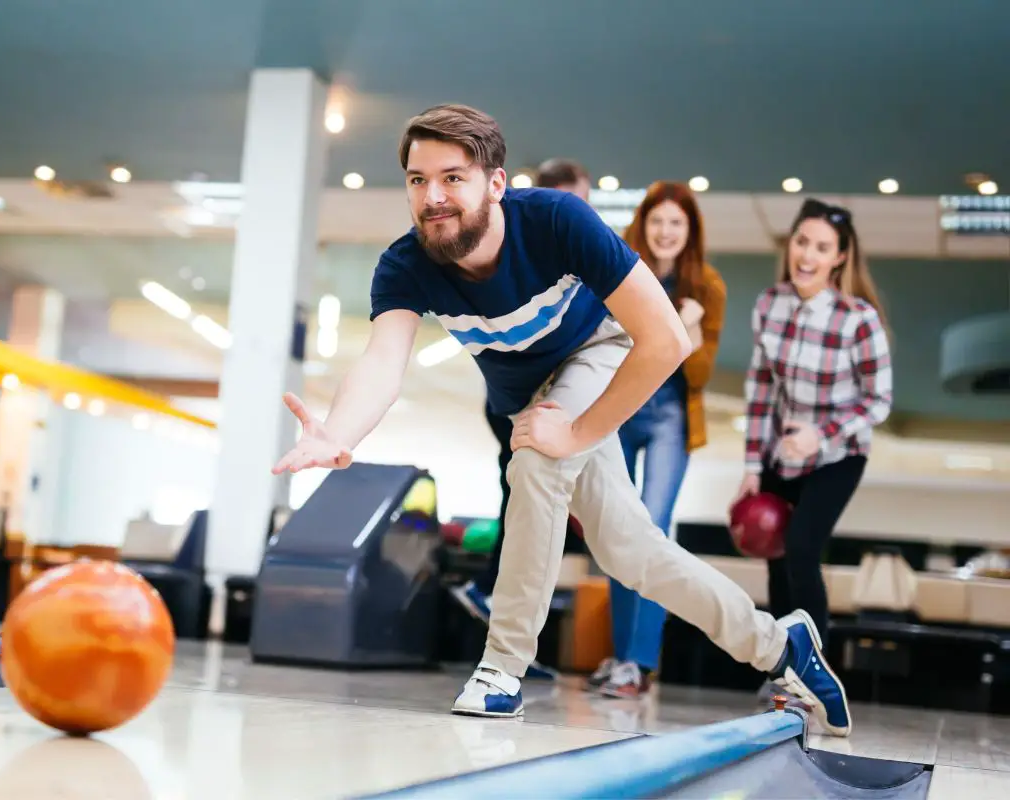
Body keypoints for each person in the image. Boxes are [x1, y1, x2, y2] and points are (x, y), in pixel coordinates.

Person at [272, 104, 852, 737]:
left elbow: (664, 340)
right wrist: (337, 433)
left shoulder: (556, 221)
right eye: (417, 180)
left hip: (596, 352)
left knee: (539, 463)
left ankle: (501, 670)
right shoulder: (407, 263)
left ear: (495, 183)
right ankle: (781, 646)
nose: (432, 197)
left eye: (452, 177)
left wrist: (576, 432)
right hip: (529, 396)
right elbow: (385, 362)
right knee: (632, 554)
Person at [735, 198, 893, 704]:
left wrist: (820, 434)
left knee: (803, 548)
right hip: (783, 454)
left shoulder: (858, 319)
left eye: (822, 247)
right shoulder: (770, 303)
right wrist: (752, 465)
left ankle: (815, 672)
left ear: (840, 258)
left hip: (839, 456)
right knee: (777, 560)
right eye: (802, 241)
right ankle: (784, 670)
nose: (807, 254)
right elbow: (761, 388)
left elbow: (879, 401)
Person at [448, 157, 594, 682]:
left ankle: (495, 609)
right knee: (529, 488)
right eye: (576, 199)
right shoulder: (530, 237)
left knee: (525, 493)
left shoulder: (570, 244)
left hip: (544, 392)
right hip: (518, 398)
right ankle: (505, 649)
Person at [585, 181, 727, 700]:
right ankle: (623, 658)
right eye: (658, 221)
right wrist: (672, 324)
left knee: (653, 528)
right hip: (622, 405)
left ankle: (640, 661)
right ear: (643, 223)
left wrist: (687, 325)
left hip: (670, 414)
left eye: (677, 224)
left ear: (690, 233)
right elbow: (602, 339)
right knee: (619, 529)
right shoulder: (621, 269)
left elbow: (702, 371)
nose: (666, 232)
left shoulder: (707, 286)